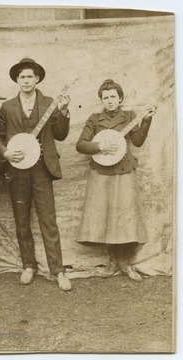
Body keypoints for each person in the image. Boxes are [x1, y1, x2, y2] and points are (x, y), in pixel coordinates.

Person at [0, 57, 72, 291]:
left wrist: (65, 111)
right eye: (22, 77)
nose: (26, 80)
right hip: (17, 169)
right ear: (17, 80)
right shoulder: (7, 106)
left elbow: (60, 135)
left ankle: (57, 271)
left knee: (48, 220)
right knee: (22, 221)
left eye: (30, 76)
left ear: (37, 78)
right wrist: (6, 152)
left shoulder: (49, 102)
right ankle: (28, 265)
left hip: (41, 169)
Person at [76, 79, 156, 281]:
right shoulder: (94, 119)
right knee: (105, 216)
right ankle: (112, 263)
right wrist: (100, 146)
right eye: (106, 98)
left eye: (113, 97)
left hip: (124, 170)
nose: (110, 101)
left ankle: (126, 264)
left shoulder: (130, 116)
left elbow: (137, 141)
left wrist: (146, 120)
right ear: (101, 100)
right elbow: (81, 145)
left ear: (120, 98)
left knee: (126, 216)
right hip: (101, 172)